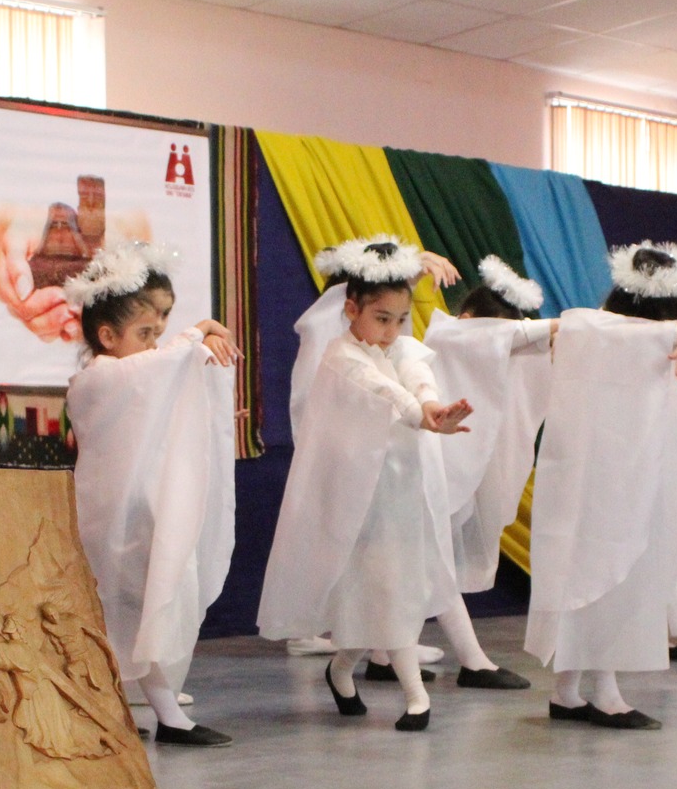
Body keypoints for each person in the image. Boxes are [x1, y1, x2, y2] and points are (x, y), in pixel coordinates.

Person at [257, 237, 473, 731]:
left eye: (400, 319)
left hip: (400, 495)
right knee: (387, 592)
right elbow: (386, 392)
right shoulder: (341, 357)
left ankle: (340, 670)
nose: (392, 330)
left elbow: (414, 374)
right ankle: (416, 696)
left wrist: (431, 404)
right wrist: (422, 413)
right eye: (381, 318)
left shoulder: (398, 347)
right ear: (351, 309)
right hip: (356, 500)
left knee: (381, 594)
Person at [524, 242, 677, 728]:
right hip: (600, 489)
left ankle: (569, 691)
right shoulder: (594, 331)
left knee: (601, 584)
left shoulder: (629, 339)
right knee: (602, 582)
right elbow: (612, 334)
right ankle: (601, 692)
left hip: (619, 487)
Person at [64, 242, 238, 746]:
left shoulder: (134, 377)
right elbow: (154, 373)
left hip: (140, 516)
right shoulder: (98, 379)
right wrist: (196, 333)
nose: (155, 344)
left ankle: (153, 710)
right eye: (145, 333)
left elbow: (166, 414)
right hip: (113, 518)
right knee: (127, 614)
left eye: (159, 331)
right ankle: (163, 715)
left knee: (143, 613)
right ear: (107, 336)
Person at [417, 255, 556, 690]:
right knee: (430, 560)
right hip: (423, 460)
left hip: (438, 461)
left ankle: (383, 654)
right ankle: (472, 661)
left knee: (418, 560)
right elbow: (509, 336)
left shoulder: (457, 339)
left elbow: (518, 346)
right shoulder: (447, 332)